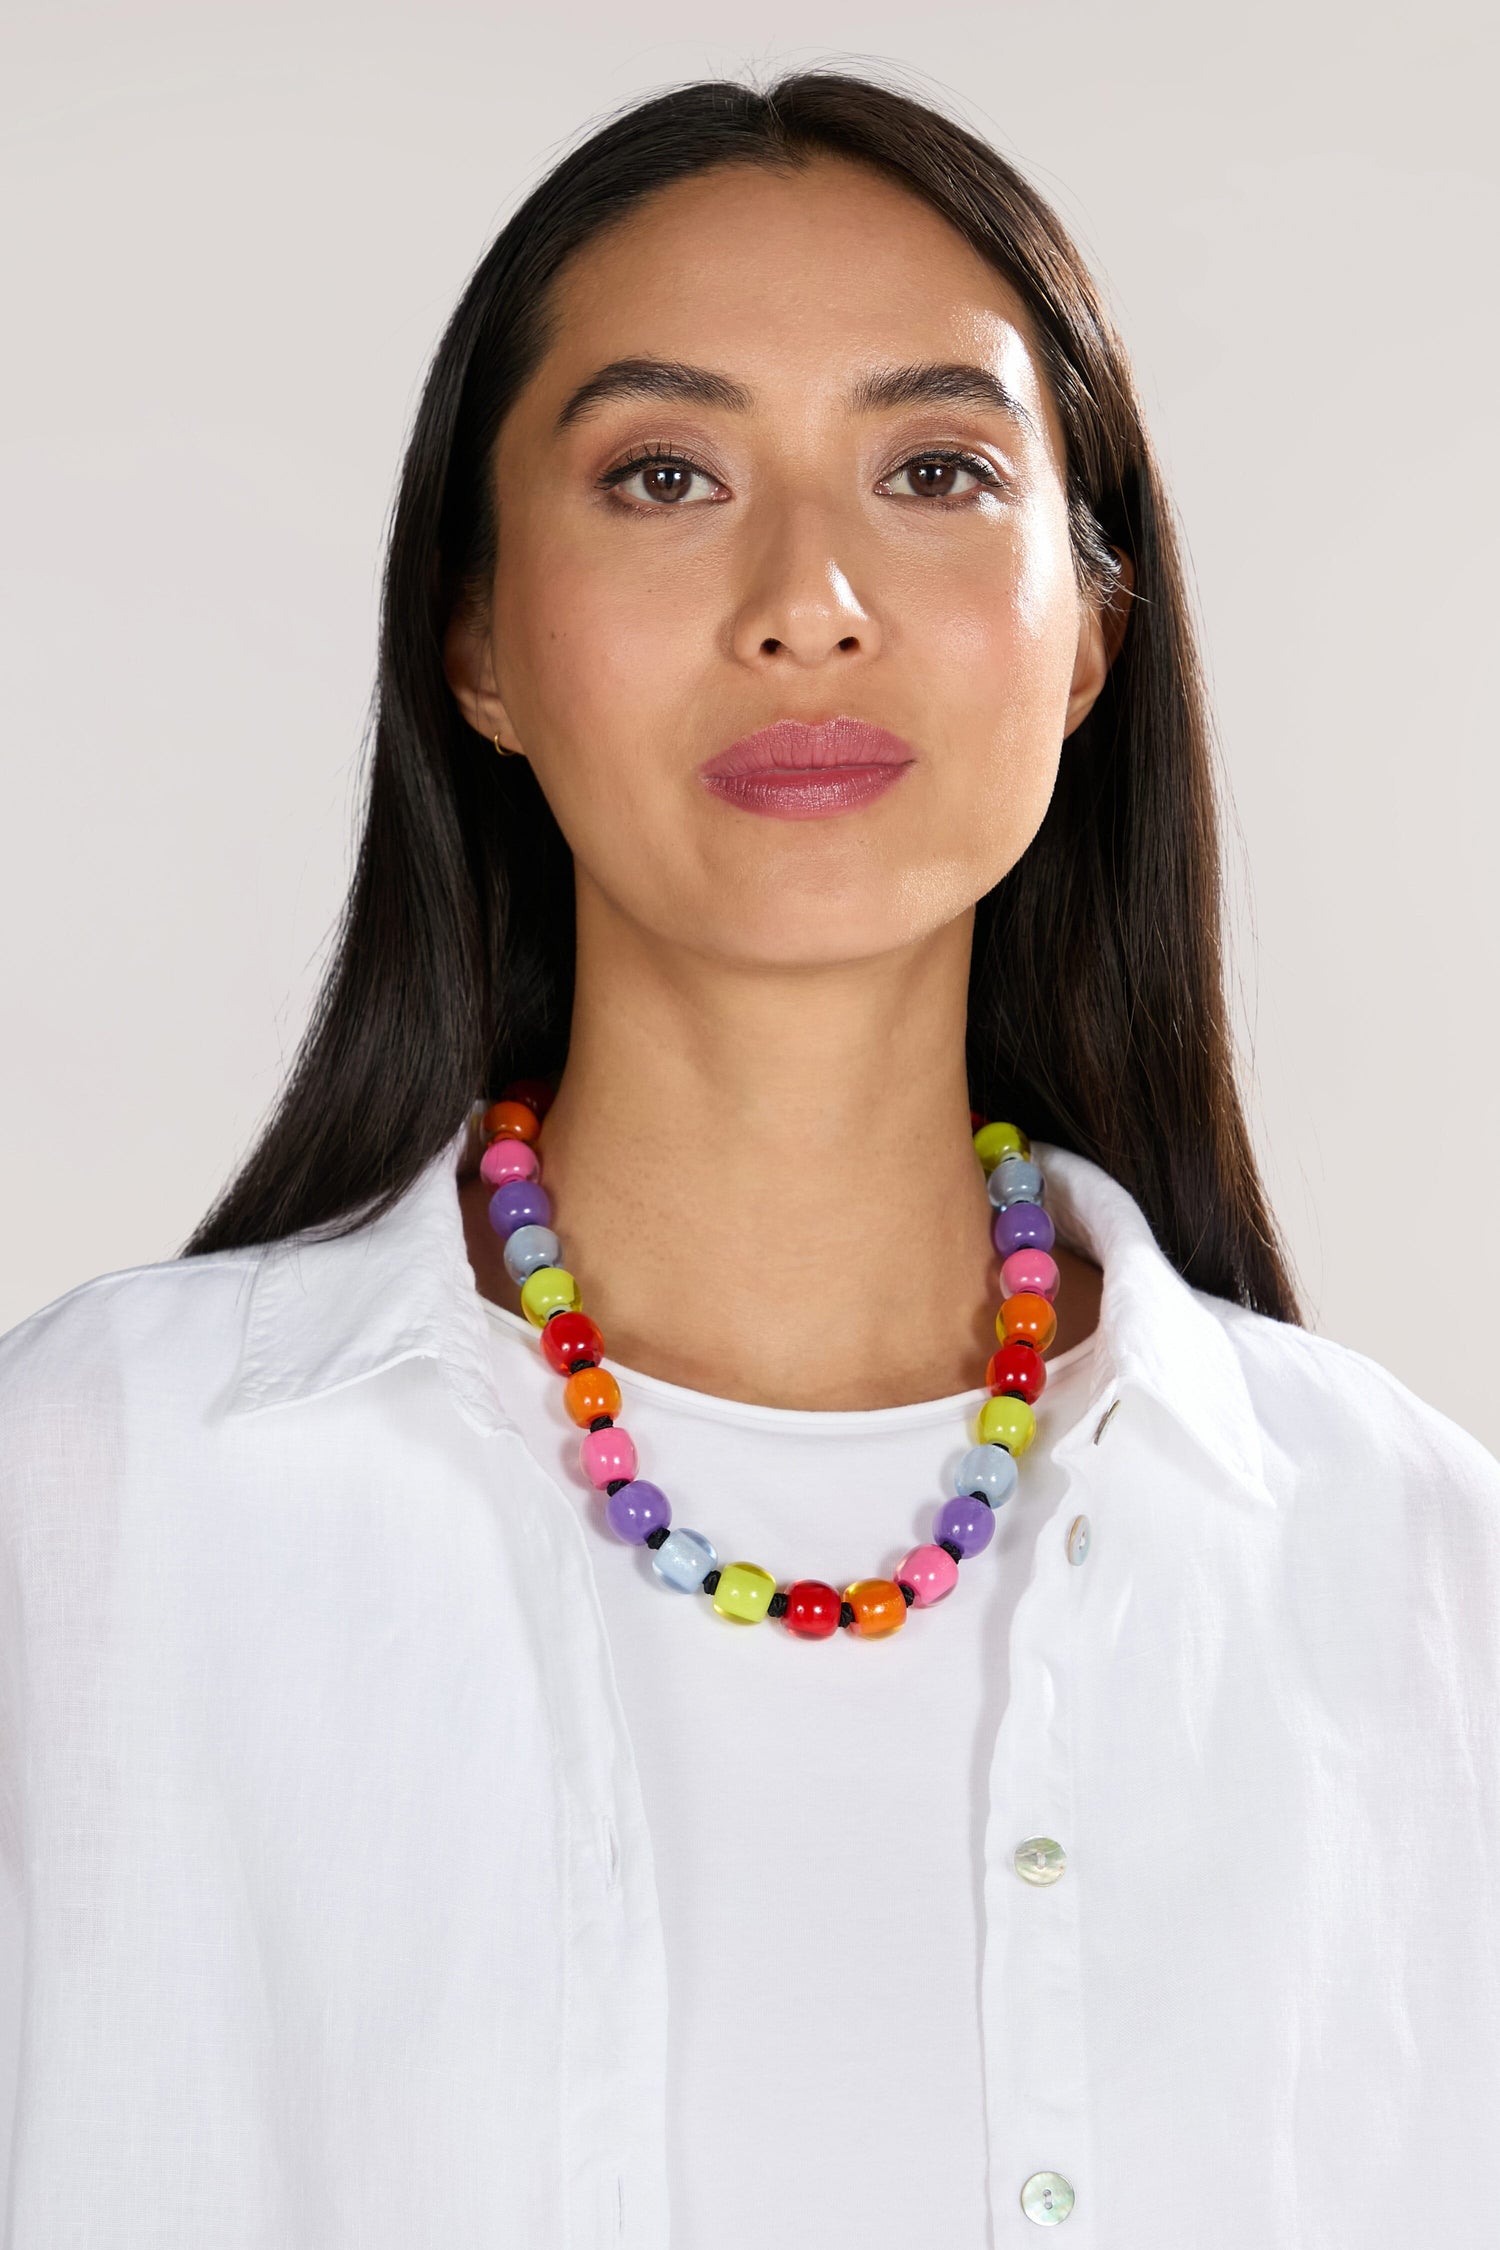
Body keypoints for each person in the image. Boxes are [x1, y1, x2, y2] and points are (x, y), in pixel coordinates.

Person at [1, 67, 1496, 2250]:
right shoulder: (85, 1509)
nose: (809, 599)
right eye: (666, 471)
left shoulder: (1423, 1586)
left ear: (1091, 630)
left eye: (936, 469)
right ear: (480, 640)